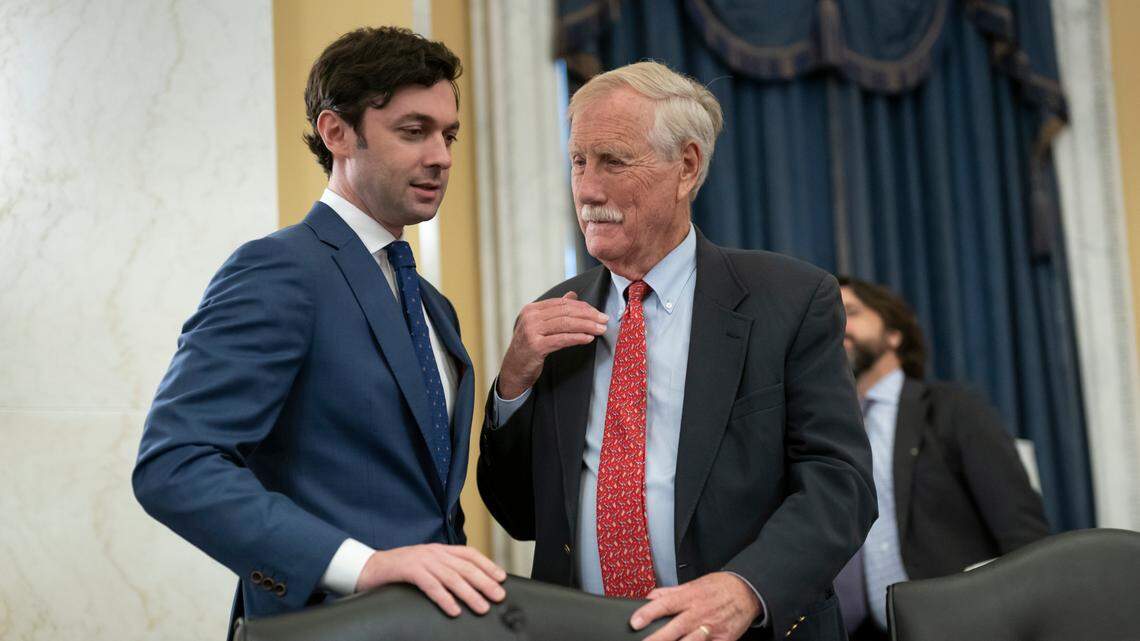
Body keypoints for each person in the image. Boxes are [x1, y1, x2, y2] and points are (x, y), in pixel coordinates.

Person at [476, 61, 876, 641]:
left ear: (686, 167)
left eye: (613, 161)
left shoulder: (789, 299)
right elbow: (517, 514)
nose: (587, 189)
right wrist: (513, 384)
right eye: (578, 162)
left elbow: (841, 483)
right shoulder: (554, 315)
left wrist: (747, 587)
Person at [132, 26, 505, 637]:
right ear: (337, 133)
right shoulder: (278, 268)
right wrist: (363, 567)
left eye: (449, 134)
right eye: (414, 131)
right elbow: (174, 465)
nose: (441, 155)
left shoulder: (434, 306)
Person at [833, 276, 1050, 641]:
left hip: (968, 626)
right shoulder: (827, 432)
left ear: (894, 335)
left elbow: (1021, 531)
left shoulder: (952, 408)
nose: (838, 327)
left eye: (850, 312)